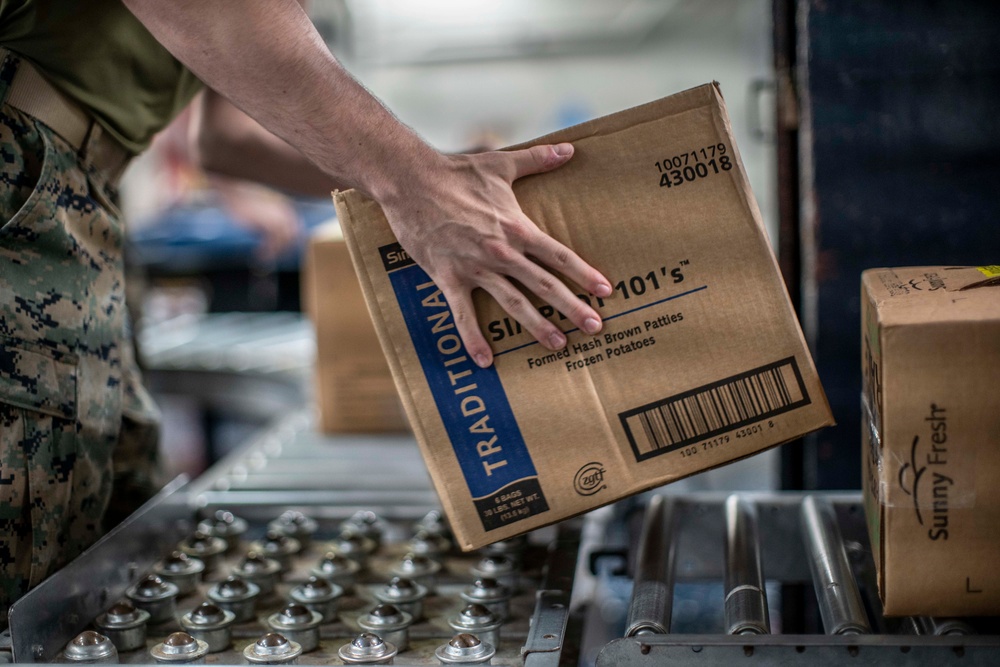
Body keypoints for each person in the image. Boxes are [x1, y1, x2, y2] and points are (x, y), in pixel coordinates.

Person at [0, 1, 612, 622]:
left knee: (105, 555)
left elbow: (227, 139)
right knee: (30, 581)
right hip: (19, 181)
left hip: (74, 193)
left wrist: (444, 184)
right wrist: (419, 180)